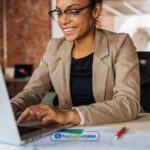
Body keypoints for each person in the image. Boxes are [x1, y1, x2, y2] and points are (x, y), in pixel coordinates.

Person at [11, 0, 140, 126]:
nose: (63, 21)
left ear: (95, 10)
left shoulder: (120, 44)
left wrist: (69, 115)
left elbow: (128, 102)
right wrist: (14, 106)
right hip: (70, 133)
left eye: (73, 11)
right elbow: (32, 92)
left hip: (114, 129)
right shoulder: (54, 47)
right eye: (59, 12)